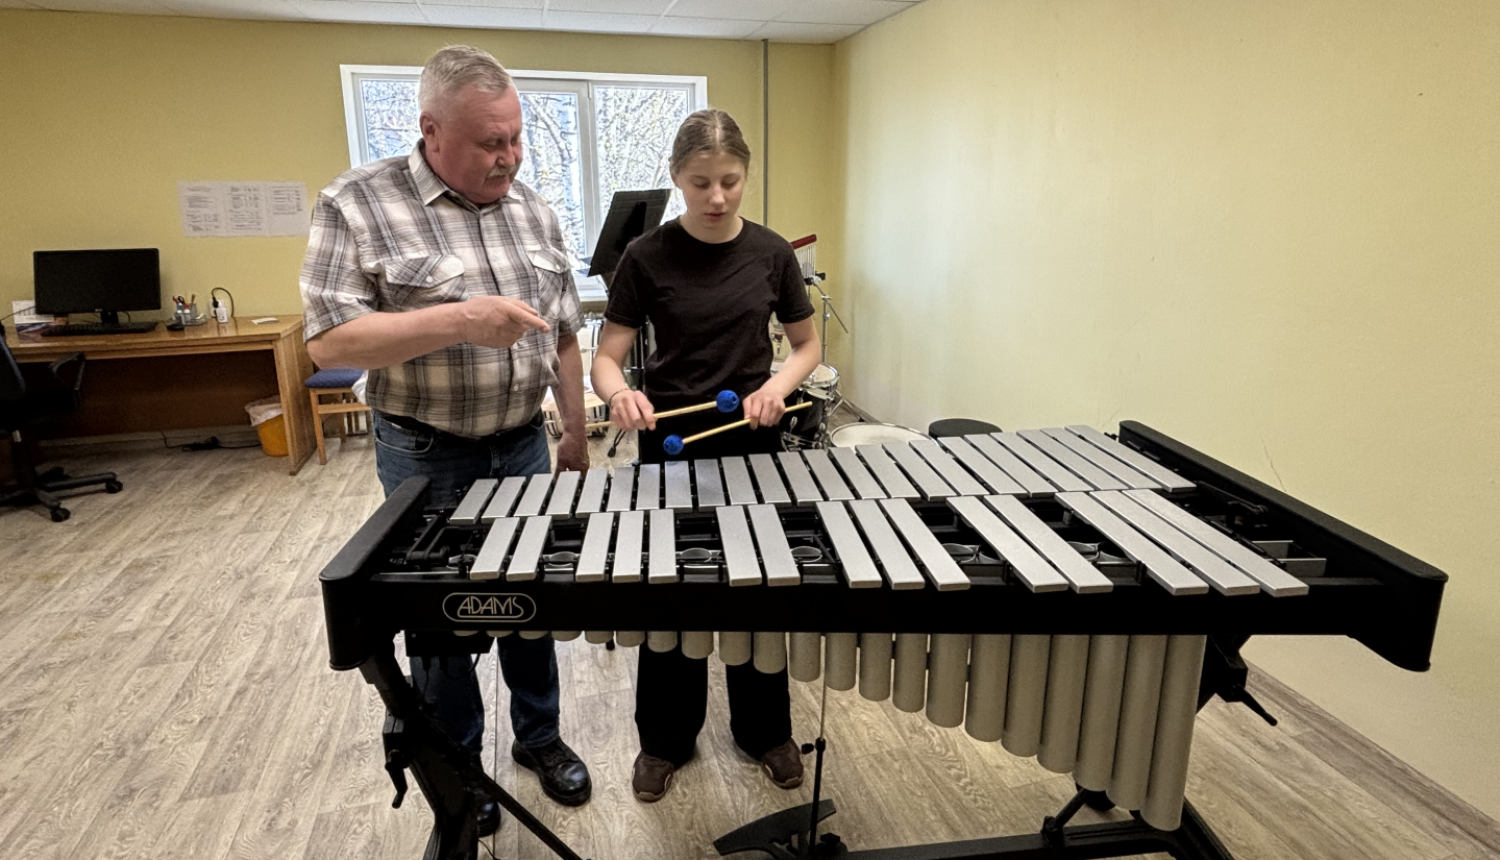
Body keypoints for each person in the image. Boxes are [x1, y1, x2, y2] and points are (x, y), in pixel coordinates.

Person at [300, 45, 592, 833]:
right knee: (439, 624)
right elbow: (329, 342)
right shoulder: (357, 203)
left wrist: (574, 425)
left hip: (524, 443)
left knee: (533, 600)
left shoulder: (533, 207)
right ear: (430, 129)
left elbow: (563, 331)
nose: (509, 156)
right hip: (427, 453)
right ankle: (459, 766)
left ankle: (541, 738)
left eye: (516, 137)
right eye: (489, 142)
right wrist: (462, 318)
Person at [590, 108, 822, 802]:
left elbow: (807, 346)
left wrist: (778, 386)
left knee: (758, 589)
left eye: (730, 181)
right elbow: (608, 358)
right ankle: (664, 740)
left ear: (746, 174)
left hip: (755, 442)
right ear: (676, 179)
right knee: (672, 594)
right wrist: (618, 397)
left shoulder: (772, 253)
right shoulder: (646, 257)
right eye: (700, 183)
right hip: (669, 445)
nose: (717, 197)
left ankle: (765, 732)